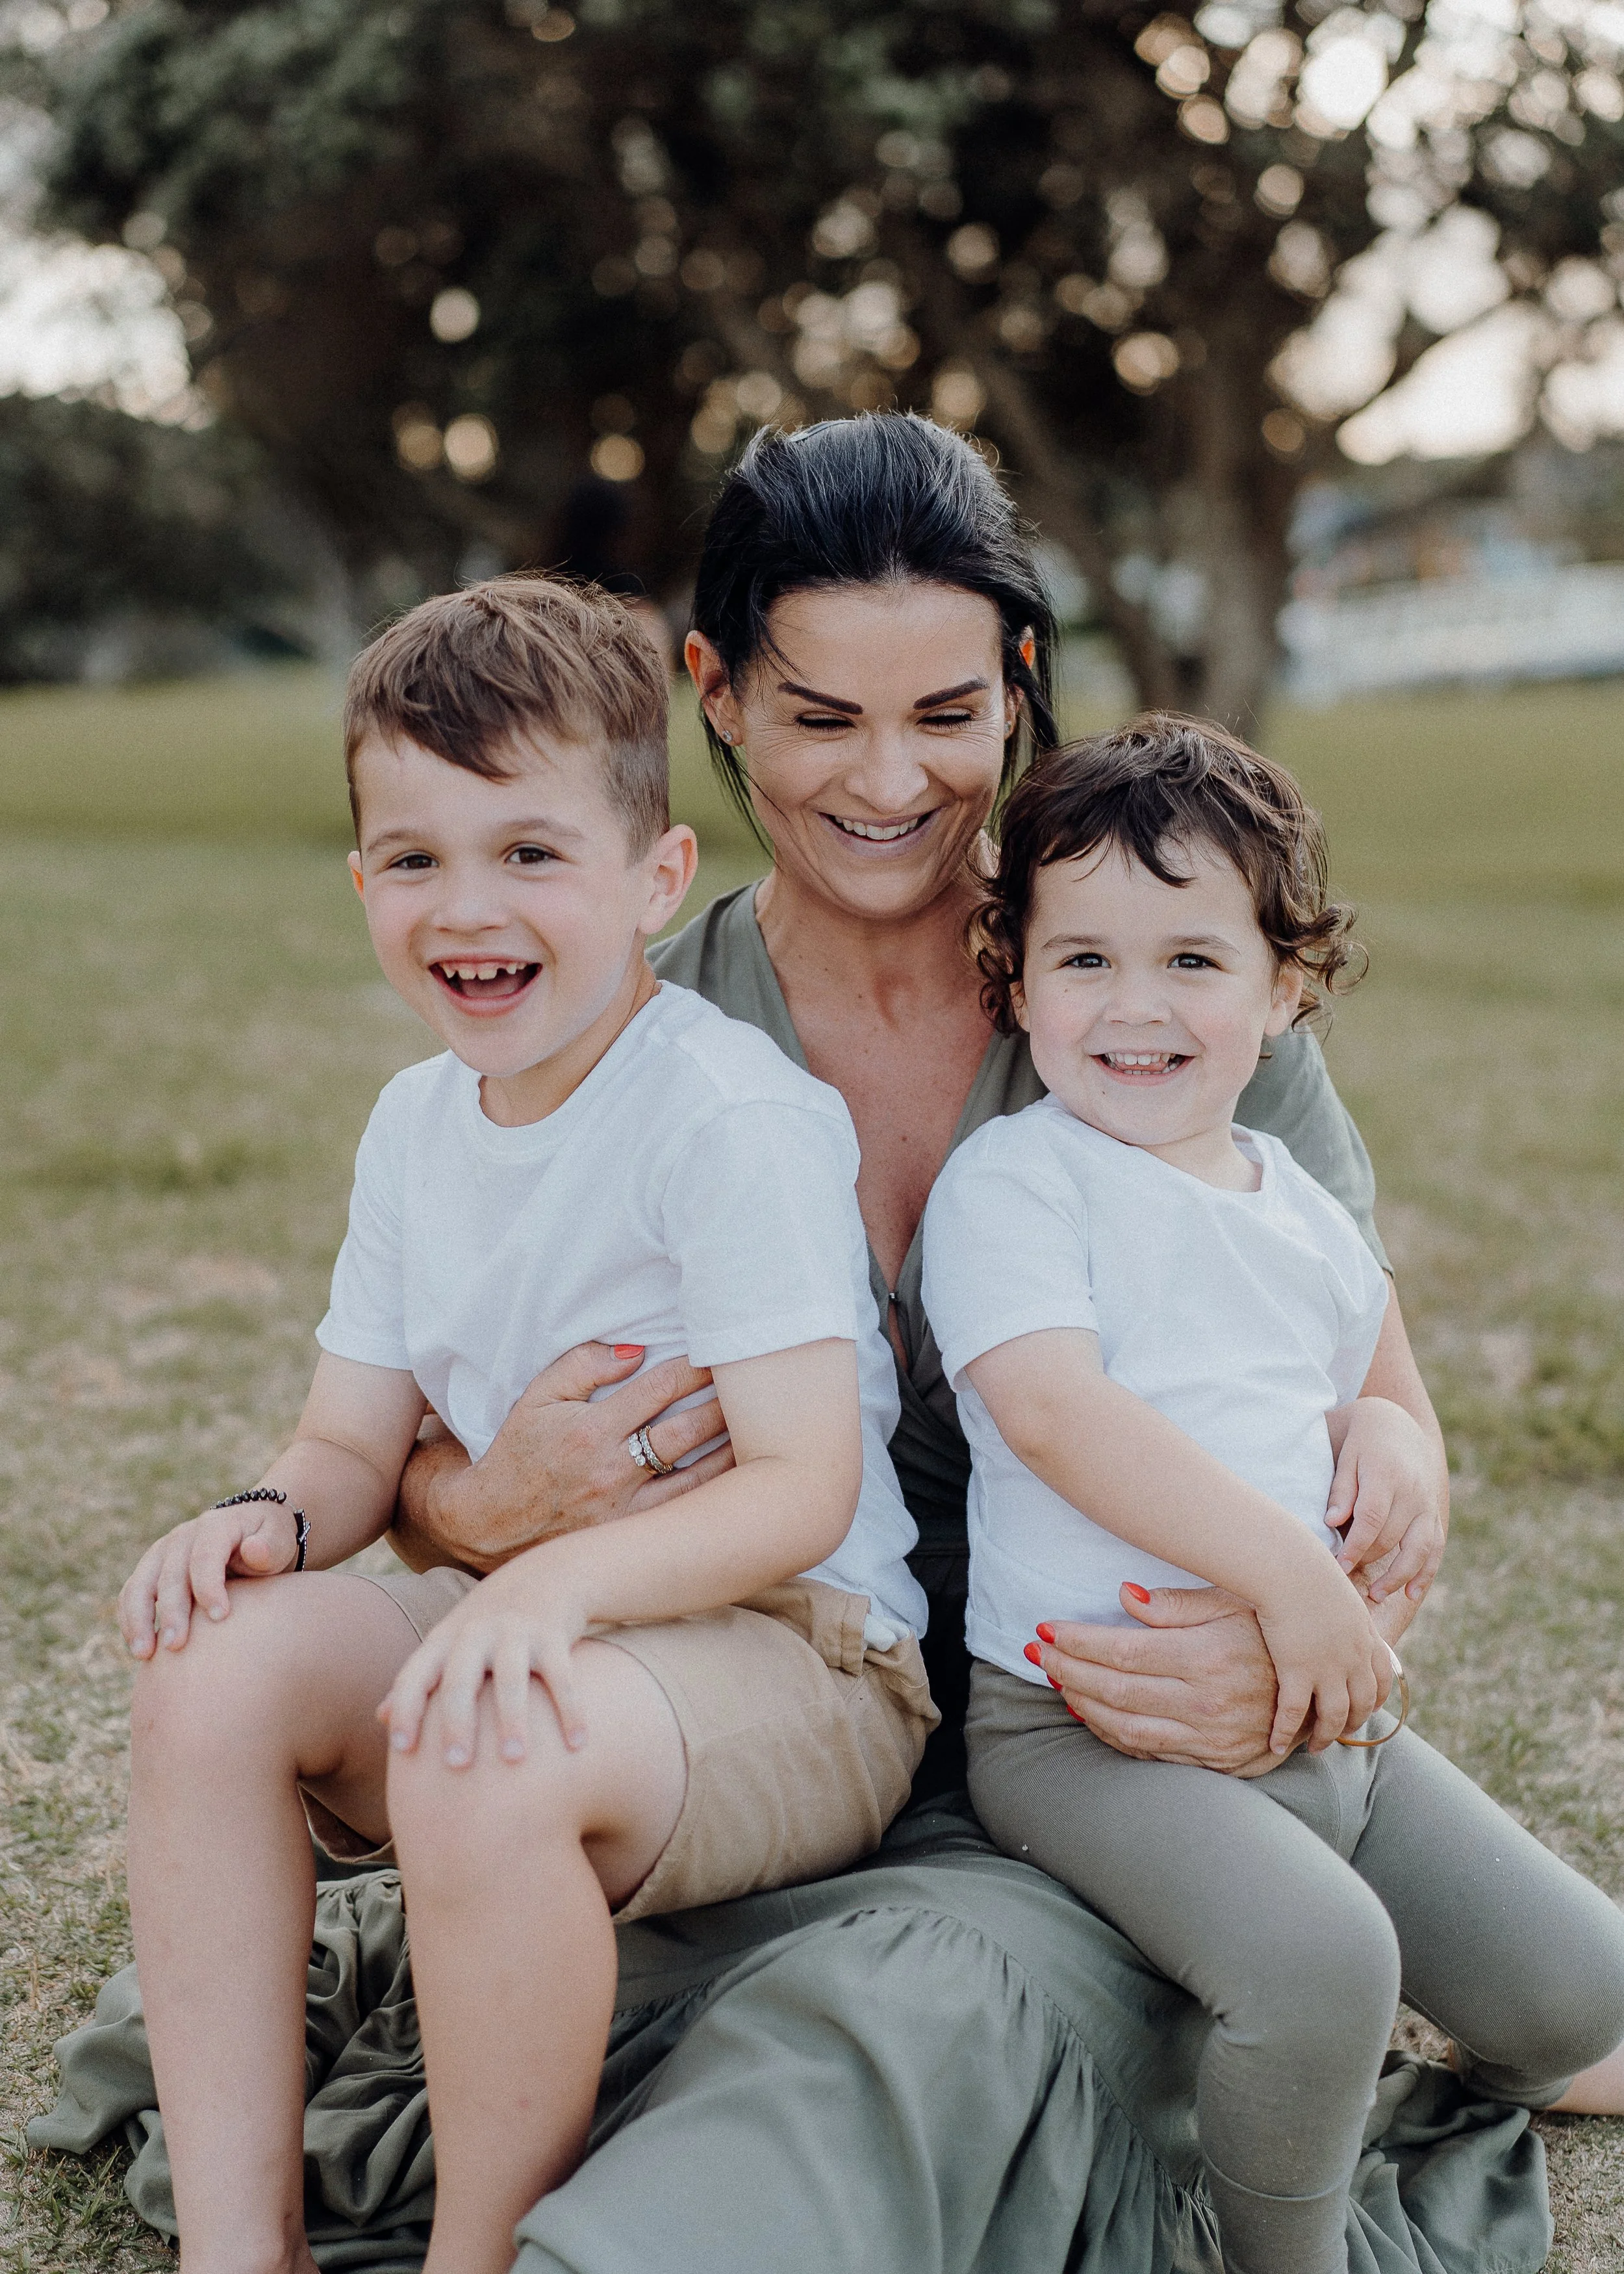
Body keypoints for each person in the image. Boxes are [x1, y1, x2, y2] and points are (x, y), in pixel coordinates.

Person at [381, 417, 1533, 2272]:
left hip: (1107, 1764)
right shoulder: (616, 1036)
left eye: (943, 710)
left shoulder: (1158, 989)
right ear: (717, 696)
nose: (890, 778)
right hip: (764, 1757)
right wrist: (476, 1502)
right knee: (828, 2017)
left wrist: (1330, 1591)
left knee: (986, 2001)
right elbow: (402, 1452)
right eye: (821, 715)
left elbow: (1361, 1392)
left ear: (1017, 683)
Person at [115, 576, 935, 2274]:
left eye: (528, 852)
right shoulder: (417, 1123)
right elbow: (351, 1440)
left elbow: (801, 1486)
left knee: (479, 1740)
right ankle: (234, 2246)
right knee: (208, 1662)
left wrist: (545, 1591)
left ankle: (473, 2254)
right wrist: (261, 1516)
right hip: (549, 1619)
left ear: (653, 877)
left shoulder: (724, 1115)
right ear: (359, 883)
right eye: (414, 858)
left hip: (802, 1648)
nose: (465, 904)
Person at [921, 717, 1624, 2274]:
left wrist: (1390, 1444)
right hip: (1080, 1730)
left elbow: (1377, 1387)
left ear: (1280, 988)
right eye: (1083, 959)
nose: (1134, 1006)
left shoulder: (1294, 1200)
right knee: (1322, 1964)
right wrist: (1289, 1578)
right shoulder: (1016, 1184)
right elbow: (1050, 1406)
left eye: (1189, 958)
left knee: (1586, 1991)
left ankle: (1460, 2051)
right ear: (1018, 983)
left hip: (1324, 1723)